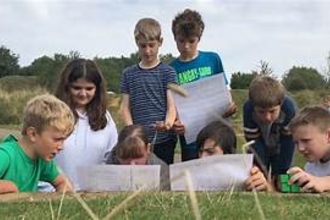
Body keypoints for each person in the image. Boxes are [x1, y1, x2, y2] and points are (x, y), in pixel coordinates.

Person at [170, 9, 236, 161]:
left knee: (223, 181)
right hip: (191, 143)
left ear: (199, 38)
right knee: (194, 182)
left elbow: (225, 91)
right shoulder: (170, 69)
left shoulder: (213, 59)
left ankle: (285, 185)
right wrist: (175, 123)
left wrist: (229, 105)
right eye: (181, 41)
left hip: (218, 136)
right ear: (175, 38)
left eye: (191, 41)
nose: (186, 46)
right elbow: (171, 106)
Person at [43, 59, 118, 191]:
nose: (83, 94)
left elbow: (112, 156)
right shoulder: (50, 114)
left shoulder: (105, 118)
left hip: (95, 195)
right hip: (54, 194)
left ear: (97, 89)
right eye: (77, 88)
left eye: (89, 88)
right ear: (66, 87)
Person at [120, 18, 177, 165]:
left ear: (160, 42)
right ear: (136, 44)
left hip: (163, 139)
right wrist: (132, 134)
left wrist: (168, 123)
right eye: (143, 46)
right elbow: (125, 108)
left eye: (151, 45)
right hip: (137, 142)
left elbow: (172, 106)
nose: (147, 51)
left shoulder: (168, 72)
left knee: (163, 181)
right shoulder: (128, 74)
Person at [0, 94, 75, 194]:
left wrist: (56, 204)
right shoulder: (5, 155)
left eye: (63, 140)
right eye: (57, 139)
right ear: (33, 134)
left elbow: (64, 183)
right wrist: (8, 187)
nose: (61, 147)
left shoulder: (42, 159)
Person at [196, 120, 272, 191]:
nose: (203, 157)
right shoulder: (191, 177)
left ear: (228, 154)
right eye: (200, 152)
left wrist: (264, 186)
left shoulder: (247, 175)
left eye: (210, 152)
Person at [243, 76, 296, 176]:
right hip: (259, 142)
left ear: (281, 104)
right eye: (261, 112)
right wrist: (261, 169)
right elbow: (253, 142)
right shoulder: (248, 109)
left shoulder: (289, 109)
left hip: (281, 144)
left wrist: (281, 171)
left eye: (272, 111)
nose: (267, 117)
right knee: (258, 173)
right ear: (253, 106)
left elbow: (288, 143)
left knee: (282, 175)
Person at [106, 125, 170, 190]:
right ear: (118, 152)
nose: (132, 165)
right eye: (125, 158)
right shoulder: (108, 169)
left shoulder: (161, 171)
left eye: (138, 157)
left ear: (148, 149)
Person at [288, 106, 330, 193]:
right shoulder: (310, 166)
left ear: (328, 136)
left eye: (306, 140)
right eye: (296, 142)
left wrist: (322, 182)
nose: (300, 148)